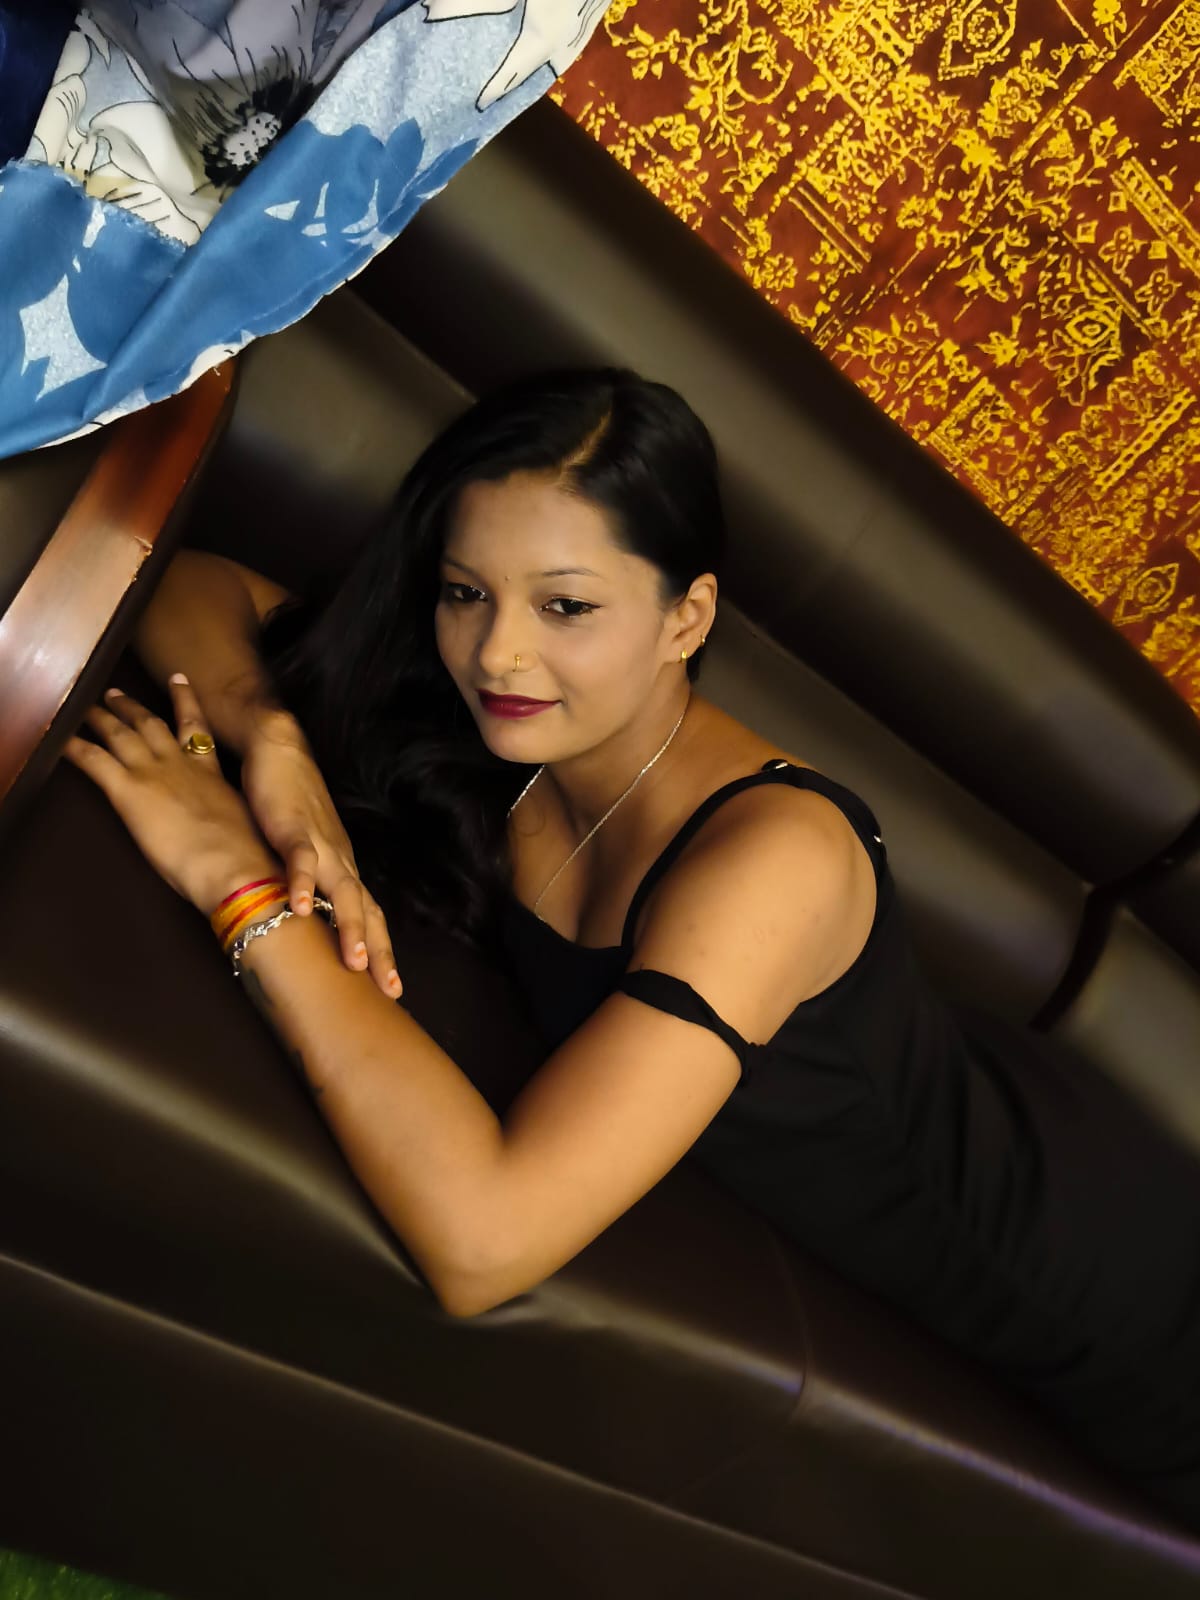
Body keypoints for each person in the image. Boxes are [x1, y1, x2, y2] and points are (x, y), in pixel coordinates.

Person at [63, 366, 1200, 1534]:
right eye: (465, 592)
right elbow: (182, 581)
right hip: (1006, 1105)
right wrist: (273, 744)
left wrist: (238, 880)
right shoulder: (502, 717)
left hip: (1109, 1287)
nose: (499, 654)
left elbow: (482, 1243)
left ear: (686, 619)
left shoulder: (775, 860)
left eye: (567, 607)